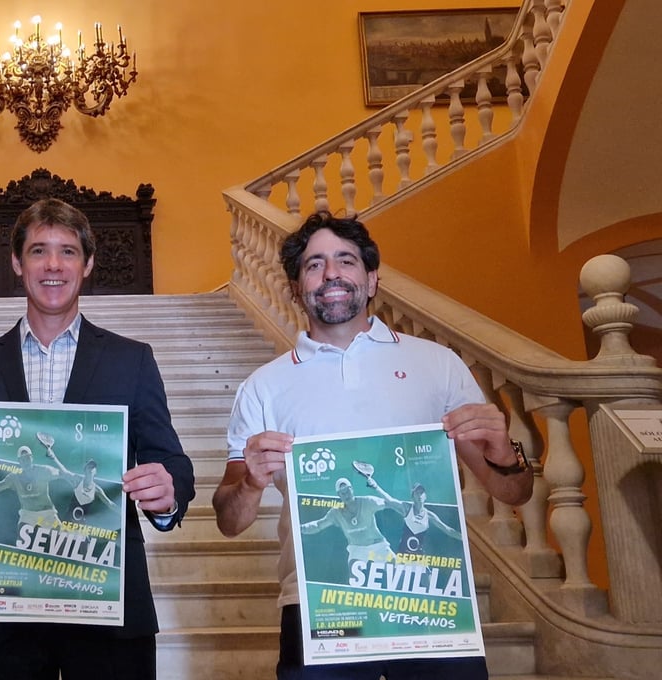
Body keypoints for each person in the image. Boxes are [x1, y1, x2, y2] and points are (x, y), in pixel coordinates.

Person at [211, 212, 533, 680]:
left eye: (346, 260)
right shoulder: (262, 387)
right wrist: (251, 484)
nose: (331, 273)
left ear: (372, 278)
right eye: (314, 265)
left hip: (429, 597)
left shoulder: (439, 364)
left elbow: (512, 492)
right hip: (319, 603)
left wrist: (505, 456)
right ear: (296, 288)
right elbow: (229, 521)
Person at [0, 198, 196, 680]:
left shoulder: (132, 360)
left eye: (67, 251)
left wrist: (167, 493)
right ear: (16, 263)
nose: (53, 265)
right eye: (38, 250)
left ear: (87, 264)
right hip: (6, 611)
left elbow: (171, 461)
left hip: (108, 608)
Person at [298, 477, 403, 567]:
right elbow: (318, 525)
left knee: (398, 569)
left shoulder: (368, 502)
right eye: (342, 493)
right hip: (357, 550)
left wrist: (377, 488)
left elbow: (390, 503)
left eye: (347, 490)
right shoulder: (336, 512)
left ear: (352, 489)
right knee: (353, 579)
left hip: (378, 547)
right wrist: (300, 528)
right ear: (339, 495)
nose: (346, 495)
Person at [0, 444, 64, 528]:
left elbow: (62, 473)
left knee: (60, 534)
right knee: (22, 531)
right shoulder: (14, 477)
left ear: (31, 458)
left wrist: (54, 458)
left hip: (47, 514)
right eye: (22, 459)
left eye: (27, 457)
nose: (25, 461)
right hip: (28, 515)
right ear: (19, 461)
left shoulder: (43, 471)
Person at [369, 481, 464, 554]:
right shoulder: (406, 508)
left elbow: (448, 530)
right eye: (417, 493)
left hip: (419, 556)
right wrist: (376, 487)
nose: (419, 495)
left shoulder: (430, 516)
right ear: (412, 497)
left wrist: (464, 538)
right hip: (403, 555)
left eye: (421, 493)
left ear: (425, 496)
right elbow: (390, 500)